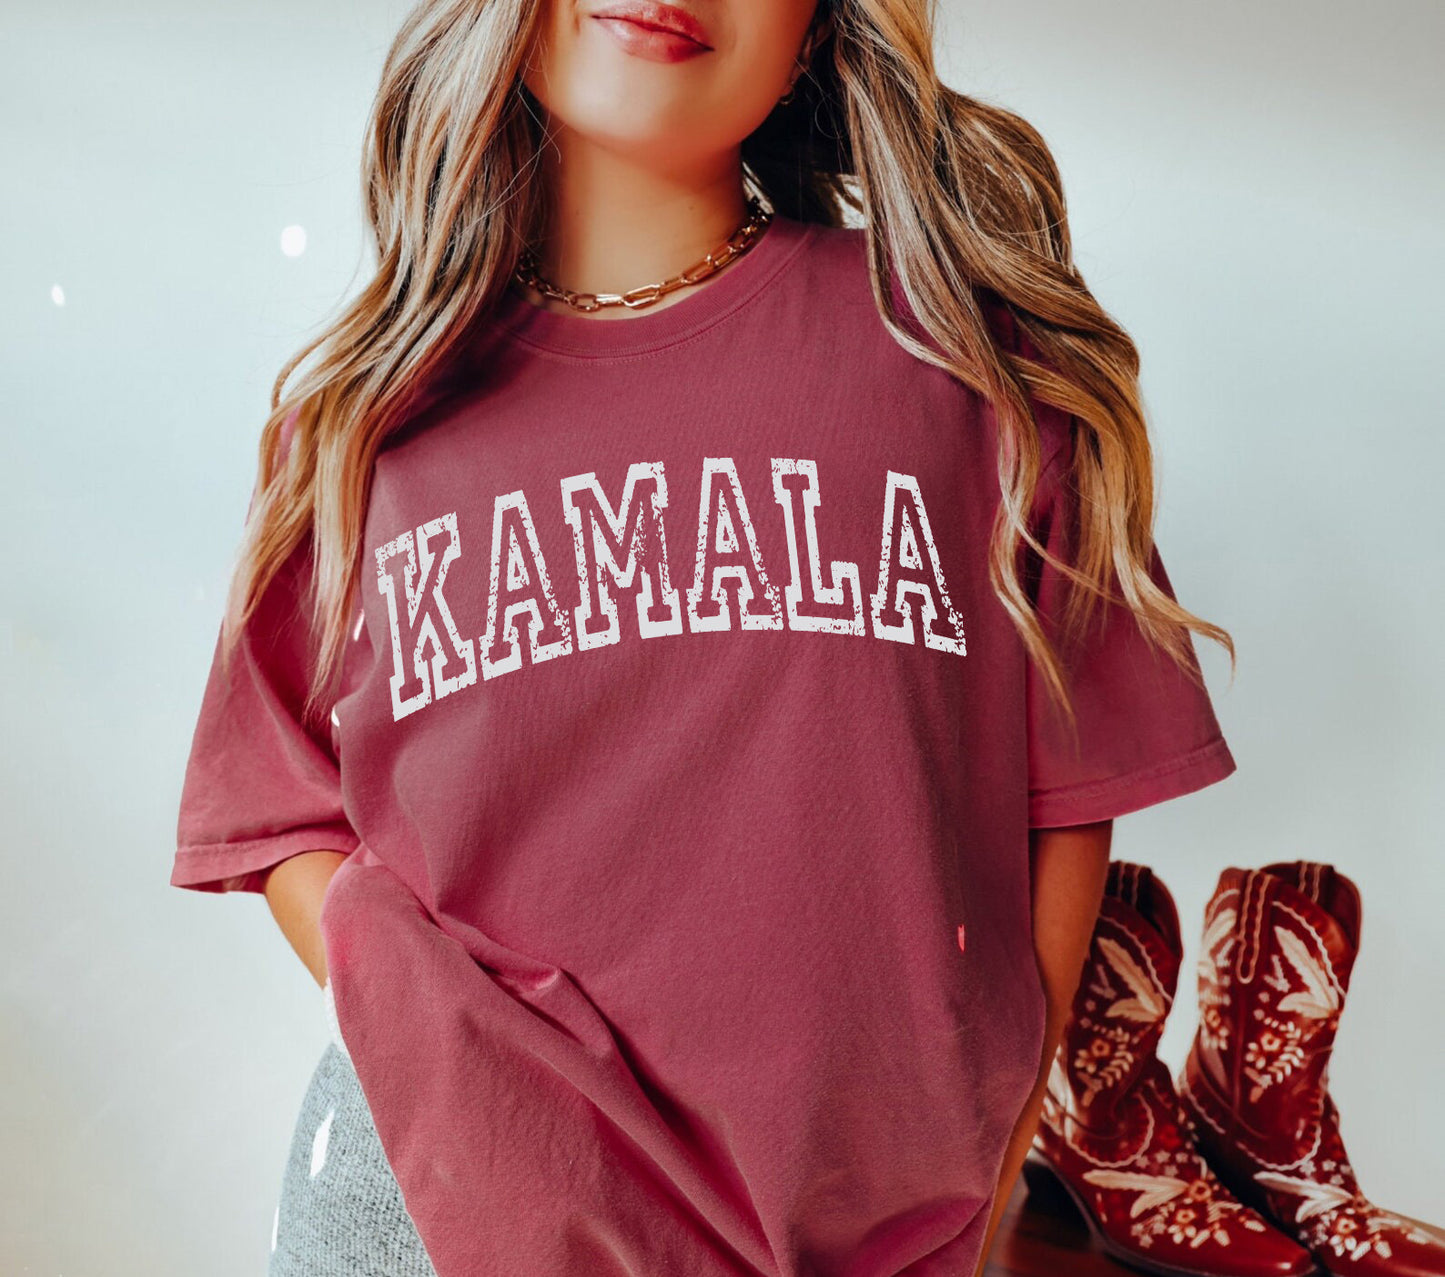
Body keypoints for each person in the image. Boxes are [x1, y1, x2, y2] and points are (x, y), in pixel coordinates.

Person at [170, 0, 1239, 1274]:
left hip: (857, 1234)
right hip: (427, 1213)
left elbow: (1065, 789)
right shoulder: (360, 423)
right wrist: (440, 1039)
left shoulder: (962, 367)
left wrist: (993, 1147)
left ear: (822, 25)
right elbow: (272, 808)